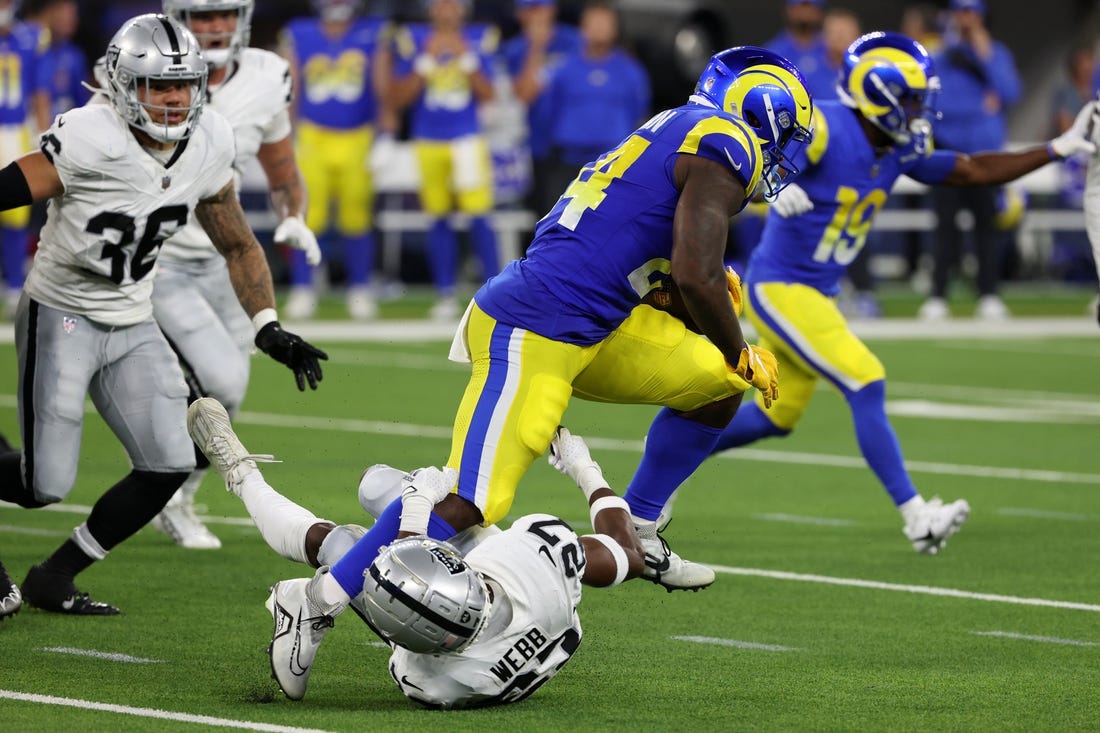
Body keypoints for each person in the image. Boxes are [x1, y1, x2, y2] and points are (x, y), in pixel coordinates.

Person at [299, 46, 809, 615]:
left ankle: (639, 521)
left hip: (593, 324)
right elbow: (696, 273)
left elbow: (651, 271)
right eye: (787, 135)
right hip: (536, 324)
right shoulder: (725, 141)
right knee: (474, 499)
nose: (783, 154)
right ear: (764, 113)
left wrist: (714, 329)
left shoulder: (678, 129)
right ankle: (317, 599)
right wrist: (735, 344)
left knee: (717, 380)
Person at [636, 32, 1095, 556]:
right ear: (879, 93)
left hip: (815, 294)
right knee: (866, 379)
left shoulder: (898, 146)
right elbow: (749, 162)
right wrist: (772, 193)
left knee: (775, 419)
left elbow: (969, 170)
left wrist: (1056, 149)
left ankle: (662, 476)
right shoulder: (824, 128)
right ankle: (916, 514)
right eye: (913, 98)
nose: (921, 110)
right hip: (783, 287)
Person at [0, 13, 328, 614]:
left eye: (183, 83)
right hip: (63, 311)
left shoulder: (211, 140)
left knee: (168, 463)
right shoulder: (89, 134)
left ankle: (54, 576)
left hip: (132, 318)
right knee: (42, 485)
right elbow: (7, 188)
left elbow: (237, 243)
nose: (174, 98)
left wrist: (267, 327)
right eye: (158, 85)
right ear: (125, 85)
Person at [184, 396, 644, 707]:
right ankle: (323, 593)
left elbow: (403, 577)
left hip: (469, 635)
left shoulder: (426, 677)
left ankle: (246, 484)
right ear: (473, 576)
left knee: (343, 545)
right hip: (517, 607)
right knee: (377, 487)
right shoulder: (537, 566)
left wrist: (418, 505)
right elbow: (628, 551)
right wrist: (585, 469)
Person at [147, 0, 323, 551]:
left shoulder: (269, 75)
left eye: (225, 13)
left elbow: (282, 167)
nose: (216, 26)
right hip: (158, 255)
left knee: (230, 391)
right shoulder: (148, 69)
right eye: (202, 17)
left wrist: (293, 214)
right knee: (218, 381)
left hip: (228, 255)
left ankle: (175, 495)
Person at [389, 0, 501, 321]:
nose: (447, 9)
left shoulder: (481, 37)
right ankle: (445, 293)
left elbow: (489, 93)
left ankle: (495, 291)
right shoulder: (413, 39)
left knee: (479, 216)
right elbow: (399, 98)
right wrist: (425, 61)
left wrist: (466, 57)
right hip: (428, 139)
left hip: (467, 139)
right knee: (438, 218)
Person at [280, 0, 390, 320]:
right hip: (312, 135)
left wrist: (386, 132)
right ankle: (303, 287)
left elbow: (381, 86)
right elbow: (291, 87)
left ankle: (360, 288)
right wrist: (286, 131)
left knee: (356, 214)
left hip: (359, 134)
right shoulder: (298, 32)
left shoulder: (374, 32)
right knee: (307, 214)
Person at [919, 0, 1021, 321]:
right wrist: (979, 108)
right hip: (949, 152)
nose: (966, 18)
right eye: (961, 11)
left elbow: (1010, 93)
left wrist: (986, 56)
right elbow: (936, 103)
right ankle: (938, 296)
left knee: (986, 228)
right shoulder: (941, 55)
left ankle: (989, 294)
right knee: (944, 228)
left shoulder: (996, 53)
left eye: (971, 11)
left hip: (985, 156)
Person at [539, 0, 650, 210]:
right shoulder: (563, 68)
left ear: (615, 29)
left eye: (605, 23)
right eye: (594, 22)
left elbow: (638, 110)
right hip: (568, 163)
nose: (599, 28)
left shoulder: (630, 70)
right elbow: (549, 111)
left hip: (615, 165)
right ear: (582, 27)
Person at [501, 0, 581, 218]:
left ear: (552, 9)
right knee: (536, 215)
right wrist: (536, 47)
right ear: (520, 14)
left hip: (574, 141)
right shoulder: (514, 50)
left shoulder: (575, 41)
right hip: (532, 143)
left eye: (541, 8)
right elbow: (524, 96)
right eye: (530, 9)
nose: (537, 16)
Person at [0, 0, 50, 318]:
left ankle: (14, 283)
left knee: (14, 212)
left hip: (14, 130)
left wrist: (44, 134)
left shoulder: (31, 37)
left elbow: (40, 92)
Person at [765, 0, 832, 101]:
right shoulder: (773, 53)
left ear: (820, 11)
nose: (805, 14)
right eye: (800, 7)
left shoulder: (833, 48)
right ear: (788, 10)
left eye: (810, 7)